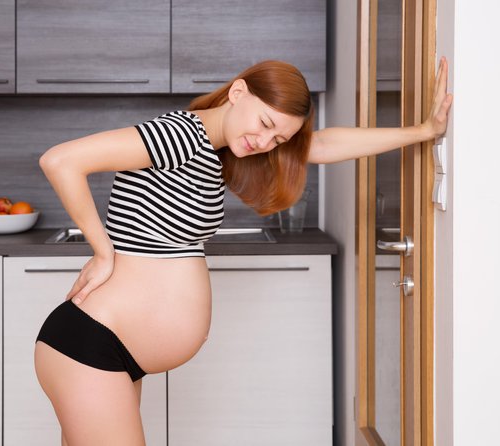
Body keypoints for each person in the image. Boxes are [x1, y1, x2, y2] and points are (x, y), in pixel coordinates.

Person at [34, 57, 453, 445]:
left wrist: (423, 132)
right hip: (90, 347)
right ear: (238, 93)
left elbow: (321, 145)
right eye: (265, 123)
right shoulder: (180, 134)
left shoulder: (214, 149)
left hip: (111, 350)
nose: (266, 141)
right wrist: (102, 251)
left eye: (279, 138)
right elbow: (62, 160)